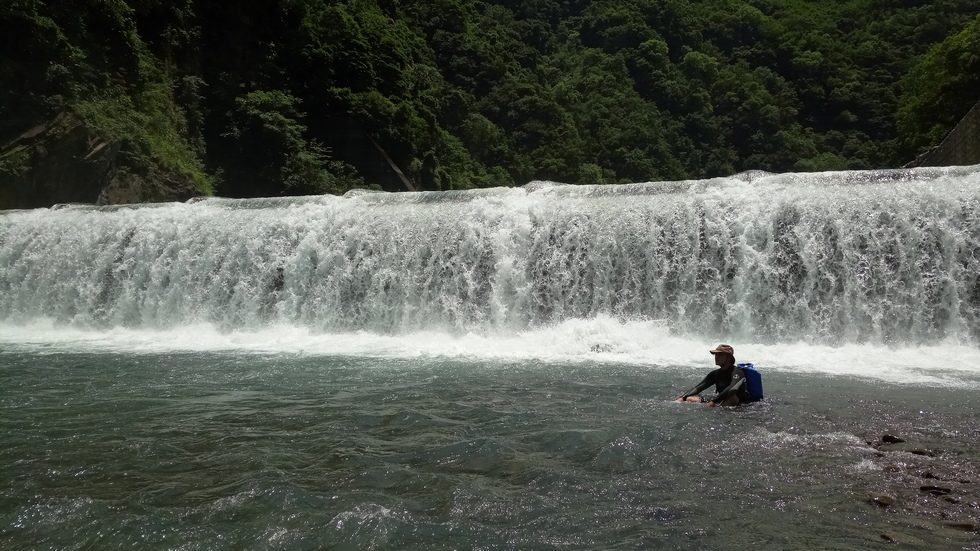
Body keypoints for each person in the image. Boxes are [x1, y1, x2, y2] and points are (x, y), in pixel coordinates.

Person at [676, 344, 749, 407]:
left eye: (720, 355)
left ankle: (717, 412)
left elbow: (733, 388)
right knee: (689, 398)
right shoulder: (715, 373)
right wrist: (683, 397)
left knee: (732, 397)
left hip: (739, 404)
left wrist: (714, 402)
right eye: (716, 355)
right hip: (720, 400)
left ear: (729, 358)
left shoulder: (737, 372)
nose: (716, 357)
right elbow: (698, 388)